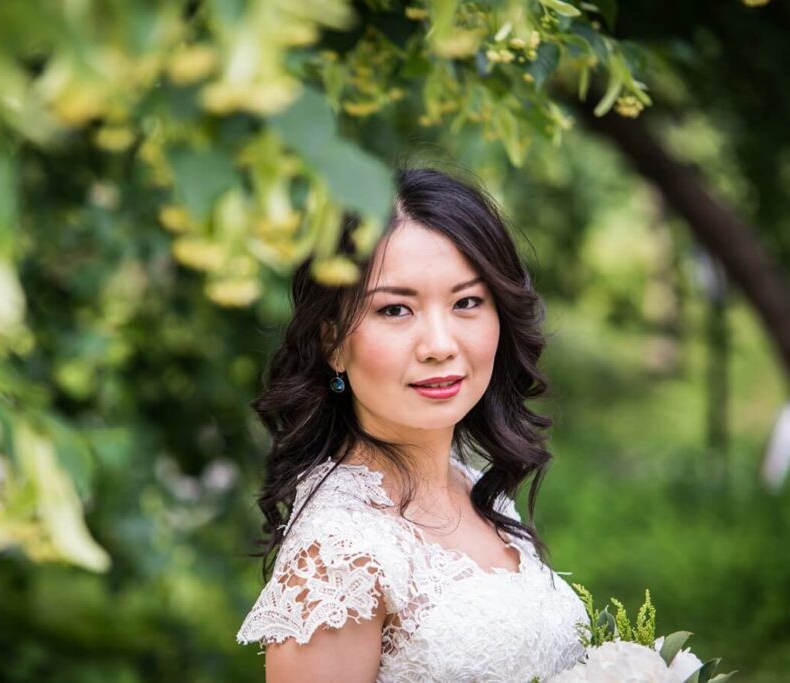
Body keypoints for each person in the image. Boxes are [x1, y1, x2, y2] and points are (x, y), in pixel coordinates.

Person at [236, 167, 589, 682]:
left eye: (467, 302)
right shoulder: (338, 557)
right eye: (396, 309)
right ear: (333, 341)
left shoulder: (472, 486)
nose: (440, 345)